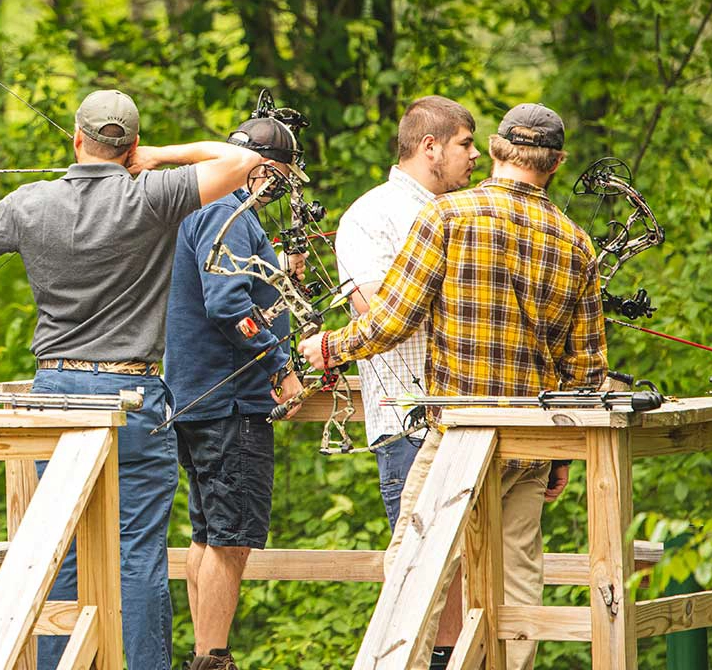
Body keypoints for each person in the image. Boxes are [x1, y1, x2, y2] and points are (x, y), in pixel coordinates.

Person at [0, 89, 268, 670]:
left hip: (54, 398)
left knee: (61, 550)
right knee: (135, 554)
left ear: (76, 139)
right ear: (130, 144)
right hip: (131, 395)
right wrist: (159, 156)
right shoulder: (153, 195)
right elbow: (243, 162)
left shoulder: (32, 202)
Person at [298, 103, 606, 670]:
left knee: (415, 575)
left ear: (494, 150)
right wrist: (563, 452)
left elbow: (392, 320)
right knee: (516, 587)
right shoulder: (575, 242)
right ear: (557, 163)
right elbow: (586, 371)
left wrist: (328, 348)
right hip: (534, 440)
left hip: (459, 434)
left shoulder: (446, 217)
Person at [164, 112, 308, 670]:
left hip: (196, 399)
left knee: (206, 534)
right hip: (230, 403)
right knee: (231, 538)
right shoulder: (233, 215)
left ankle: (204, 654)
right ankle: (214, 659)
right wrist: (280, 366)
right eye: (284, 179)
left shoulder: (203, 211)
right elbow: (229, 307)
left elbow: (241, 294)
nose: (283, 192)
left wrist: (282, 273)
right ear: (266, 170)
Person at [334, 95, 479, 527]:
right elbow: (377, 311)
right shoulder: (371, 215)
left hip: (476, 420)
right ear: (430, 146)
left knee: (482, 573)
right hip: (410, 428)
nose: (475, 156)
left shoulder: (464, 213)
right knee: (427, 579)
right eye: (465, 144)